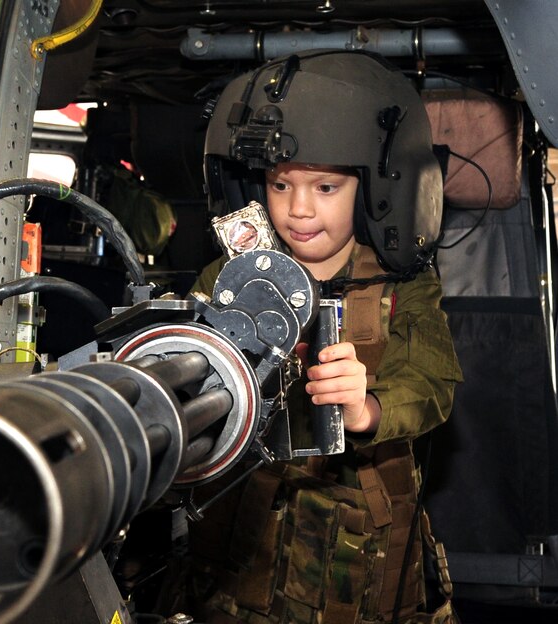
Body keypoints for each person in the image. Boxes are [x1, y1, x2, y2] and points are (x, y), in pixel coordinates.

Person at [181, 50, 463, 624]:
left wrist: (369, 409)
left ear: (368, 189)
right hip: (245, 553)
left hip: (362, 560)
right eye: (280, 186)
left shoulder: (401, 284)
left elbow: (433, 382)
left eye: (326, 188)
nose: (299, 210)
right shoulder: (230, 278)